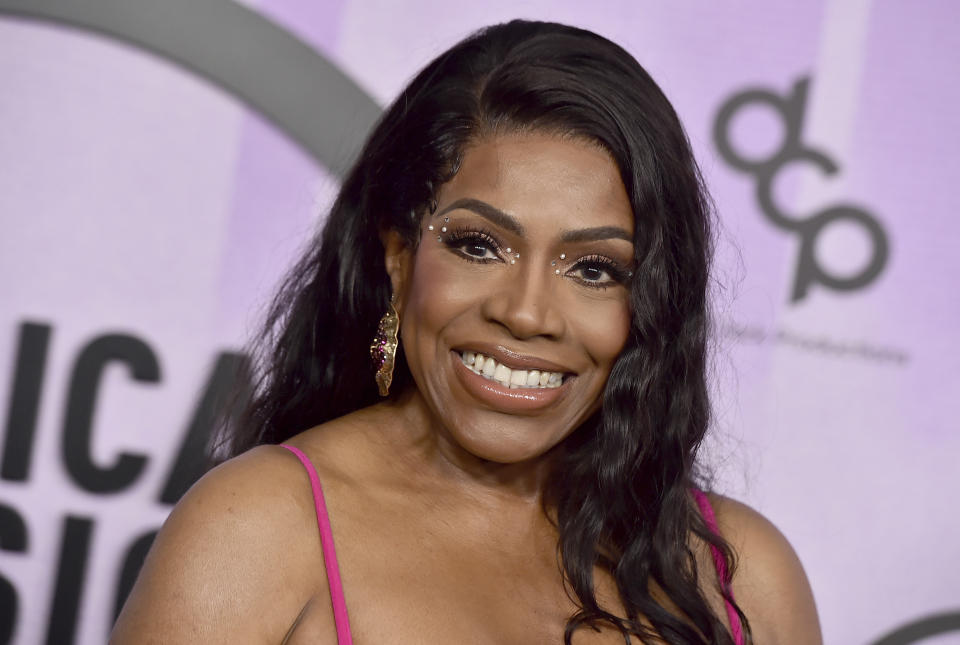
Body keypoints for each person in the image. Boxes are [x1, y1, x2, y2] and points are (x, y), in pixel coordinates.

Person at [111, 20, 820, 644]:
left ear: (650, 304)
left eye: (595, 268)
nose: (527, 312)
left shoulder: (744, 579)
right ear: (397, 256)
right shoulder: (257, 530)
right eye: (480, 245)